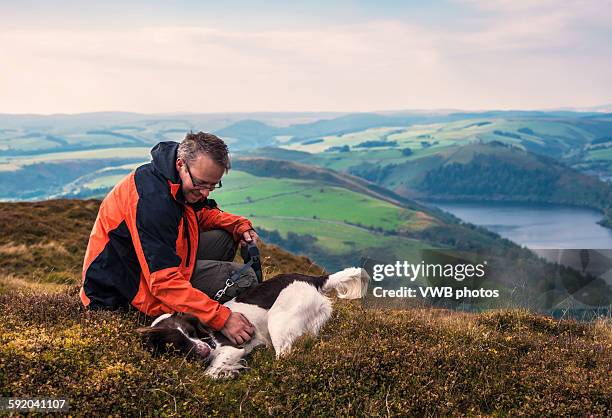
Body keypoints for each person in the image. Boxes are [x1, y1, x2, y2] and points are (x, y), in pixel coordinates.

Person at [80, 132, 259, 345]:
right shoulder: (152, 201)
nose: (205, 193)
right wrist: (222, 318)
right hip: (122, 293)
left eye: (212, 186)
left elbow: (200, 213)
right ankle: (211, 313)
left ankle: (198, 300)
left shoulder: (176, 179)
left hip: (151, 269)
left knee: (224, 237)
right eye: (201, 184)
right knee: (245, 278)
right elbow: (163, 282)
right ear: (181, 164)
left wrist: (237, 224)